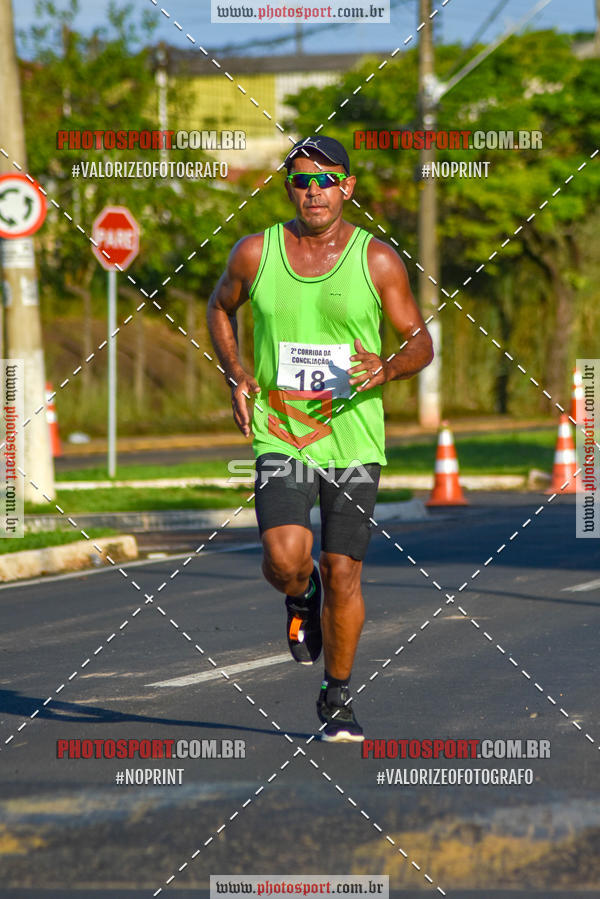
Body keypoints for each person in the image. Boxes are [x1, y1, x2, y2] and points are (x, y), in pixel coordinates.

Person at [207, 135, 433, 742]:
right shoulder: (257, 253)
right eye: (302, 181)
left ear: (347, 188)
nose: (314, 191)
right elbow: (218, 308)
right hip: (282, 430)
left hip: (354, 438)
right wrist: (238, 374)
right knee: (286, 558)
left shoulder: (377, 260)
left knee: (345, 572)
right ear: (289, 188)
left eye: (326, 180)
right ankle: (298, 594)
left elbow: (420, 342)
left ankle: (337, 694)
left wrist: (385, 368)